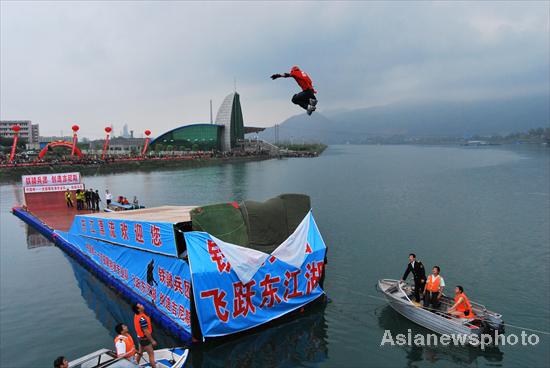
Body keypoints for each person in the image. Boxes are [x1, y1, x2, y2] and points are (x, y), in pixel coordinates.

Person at [133, 303, 157, 368]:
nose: (142, 305)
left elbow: (146, 316)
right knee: (151, 355)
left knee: (140, 353)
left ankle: (134, 366)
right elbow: (146, 332)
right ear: (138, 309)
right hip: (145, 340)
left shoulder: (137, 315)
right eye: (140, 305)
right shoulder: (142, 319)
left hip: (140, 338)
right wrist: (152, 341)